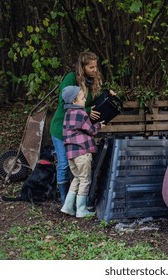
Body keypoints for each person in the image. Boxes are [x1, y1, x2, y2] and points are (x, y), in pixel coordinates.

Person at [50, 51, 113, 205]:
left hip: (77, 132)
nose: (95, 70)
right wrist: (88, 112)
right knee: (64, 164)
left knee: (79, 168)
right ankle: (65, 200)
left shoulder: (91, 80)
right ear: (82, 67)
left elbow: (92, 102)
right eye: (91, 67)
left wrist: (107, 96)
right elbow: (65, 105)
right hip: (61, 129)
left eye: (96, 66)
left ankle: (75, 201)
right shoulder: (71, 78)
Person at [60, 86, 105, 218]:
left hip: (71, 154)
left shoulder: (67, 114)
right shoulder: (81, 114)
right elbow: (91, 130)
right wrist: (99, 125)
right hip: (82, 152)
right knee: (85, 180)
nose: (85, 100)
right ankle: (81, 209)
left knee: (77, 178)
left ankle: (68, 206)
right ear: (74, 101)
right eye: (83, 97)